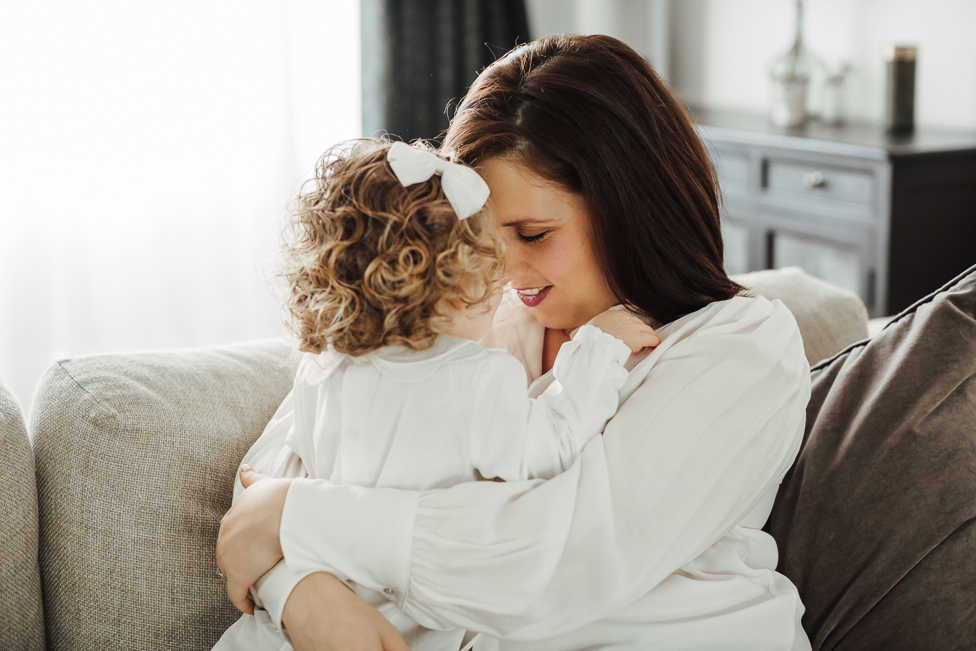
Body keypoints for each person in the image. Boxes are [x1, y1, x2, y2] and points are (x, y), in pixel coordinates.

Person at [217, 34, 813, 651]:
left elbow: (561, 561)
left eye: (532, 233)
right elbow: (263, 485)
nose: (502, 271)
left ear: (630, 207)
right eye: (478, 241)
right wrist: (302, 593)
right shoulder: (455, 316)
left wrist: (301, 519)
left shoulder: (743, 347)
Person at [213, 138, 659, 651]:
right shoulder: (479, 376)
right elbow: (551, 450)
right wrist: (599, 351)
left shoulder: (324, 369)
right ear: (455, 288)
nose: (509, 279)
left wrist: (289, 583)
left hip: (278, 629)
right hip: (398, 628)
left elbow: (263, 490)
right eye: (494, 266)